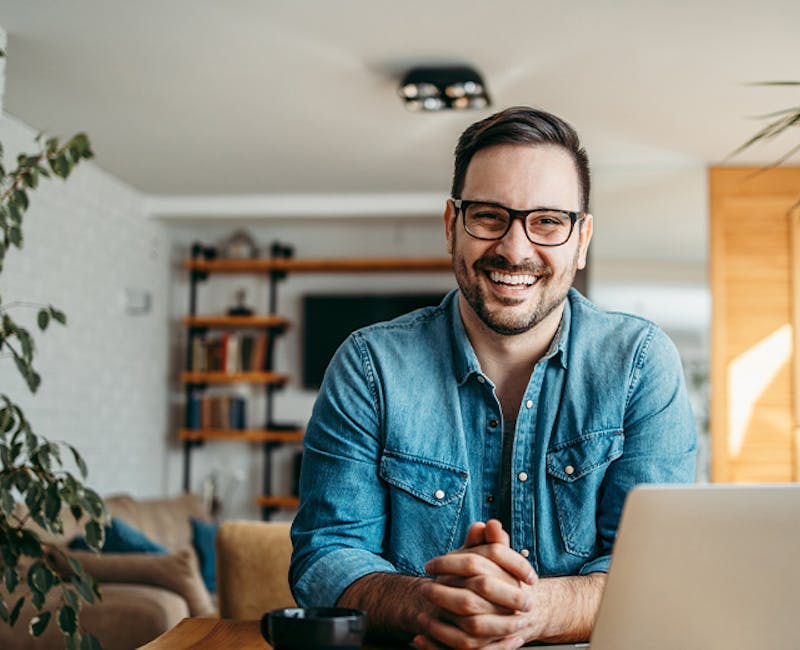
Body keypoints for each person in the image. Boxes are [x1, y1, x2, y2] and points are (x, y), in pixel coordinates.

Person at [289, 106, 696, 649]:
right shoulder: (369, 366)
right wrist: (433, 605)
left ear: (582, 240)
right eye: (488, 216)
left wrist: (529, 611)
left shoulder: (642, 364)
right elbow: (326, 556)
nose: (515, 247)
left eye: (547, 221)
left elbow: (655, 571)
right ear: (451, 226)